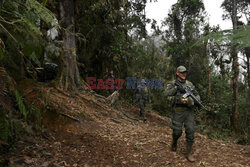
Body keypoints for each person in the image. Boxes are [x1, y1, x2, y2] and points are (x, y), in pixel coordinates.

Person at [164, 66, 200, 162]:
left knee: (191, 131)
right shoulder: (172, 84)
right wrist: (179, 100)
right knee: (177, 132)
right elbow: (166, 96)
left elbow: (197, 95)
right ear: (177, 73)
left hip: (189, 112)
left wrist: (191, 101)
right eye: (182, 72)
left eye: (185, 72)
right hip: (178, 112)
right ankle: (174, 142)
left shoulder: (190, 84)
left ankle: (188, 153)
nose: (184, 74)